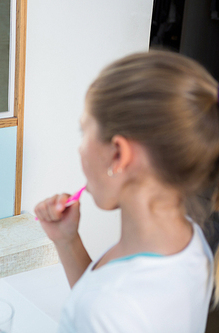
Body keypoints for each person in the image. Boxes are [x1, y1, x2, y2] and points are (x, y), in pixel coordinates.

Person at [34, 50, 219, 332]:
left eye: (84, 132)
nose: (80, 148)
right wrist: (67, 241)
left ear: (118, 154)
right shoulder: (193, 242)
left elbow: (104, 308)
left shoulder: (108, 310)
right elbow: (102, 291)